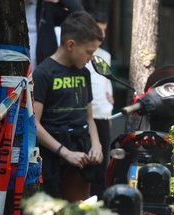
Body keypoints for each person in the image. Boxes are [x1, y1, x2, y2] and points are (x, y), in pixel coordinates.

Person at [32, 11, 104, 202]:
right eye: (89, 52)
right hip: (53, 158)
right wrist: (65, 153)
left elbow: (89, 117)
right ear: (70, 44)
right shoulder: (43, 73)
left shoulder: (84, 74)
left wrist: (96, 145)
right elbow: (34, 124)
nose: (91, 58)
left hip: (80, 157)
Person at [86, 11, 114, 198]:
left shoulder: (106, 55)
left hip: (102, 114)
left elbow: (106, 81)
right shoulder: (82, 54)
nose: (102, 35)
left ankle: (100, 198)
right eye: (98, 29)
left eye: (104, 30)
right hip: (87, 114)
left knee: (102, 160)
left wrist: (109, 98)